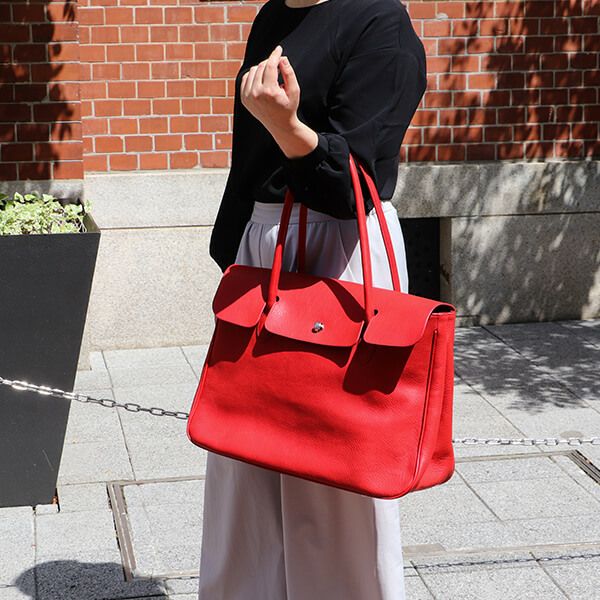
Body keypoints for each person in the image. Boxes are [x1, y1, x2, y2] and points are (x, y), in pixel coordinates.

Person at [197, 0, 427, 597]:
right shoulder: (272, 17)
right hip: (265, 253)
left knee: (333, 470)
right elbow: (249, 161)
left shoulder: (379, 22)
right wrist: (237, 249)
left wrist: (288, 127)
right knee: (244, 459)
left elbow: (356, 184)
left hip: (340, 255)